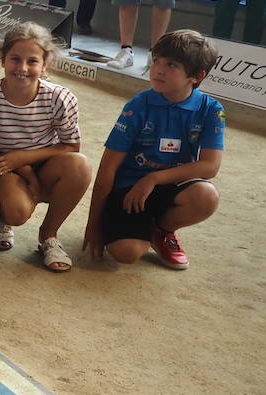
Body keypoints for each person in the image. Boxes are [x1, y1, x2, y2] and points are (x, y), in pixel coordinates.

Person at [82, 30, 223, 270]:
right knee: (125, 254)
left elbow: (210, 166)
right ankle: (132, 228)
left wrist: (154, 178)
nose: (157, 69)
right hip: (128, 191)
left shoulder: (210, 110)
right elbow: (108, 167)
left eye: (171, 65)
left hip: (167, 186)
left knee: (206, 196)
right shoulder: (139, 105)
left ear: (196, 76)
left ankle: (162, 231)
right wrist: (93, 224)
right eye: (156, 60)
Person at [0, 23, 90, 272]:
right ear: (3, 60)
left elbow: (71, 146)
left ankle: (49, 236)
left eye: (32, 61)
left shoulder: (60, 98)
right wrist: (15, 165)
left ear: (45, 64)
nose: (23, 68)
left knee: (80, 166)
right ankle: (1, 218)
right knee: (17, 212)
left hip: (43, 162)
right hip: (3, 165)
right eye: (15, 59)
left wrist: (24, 158)